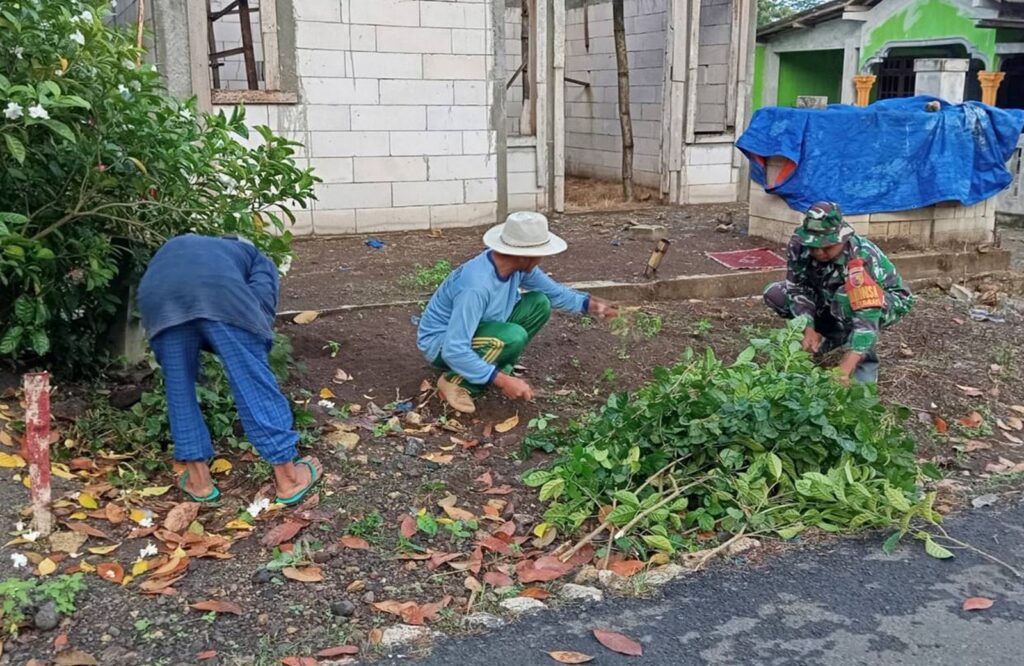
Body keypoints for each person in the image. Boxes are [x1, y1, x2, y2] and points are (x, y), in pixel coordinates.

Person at [137, 234, 321, 505]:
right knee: (253, 382)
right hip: (217, 293)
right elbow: (260, 309)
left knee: (179, 389)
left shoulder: (196, 247)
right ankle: (289, 479)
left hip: (157, 298)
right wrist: (251, 350)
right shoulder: (257, 257)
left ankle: (199, 482)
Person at [417, 212, 618, 413]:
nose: (541, 259)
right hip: (441, 344)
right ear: (524, 256)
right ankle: (456, 382)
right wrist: (503, 381)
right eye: (540, 253)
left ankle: (495, 365)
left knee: (539, 303)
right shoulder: (476, 287)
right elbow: (454, 348)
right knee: (513, 336)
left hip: (478, 329)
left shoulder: (516, 267)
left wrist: (597, 307)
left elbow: (554, 293)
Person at [763, 202, 914, 384]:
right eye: (813, 246)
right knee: (776, 294)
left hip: (886, 302)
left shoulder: (860, 258)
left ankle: (864, 365)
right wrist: (807, 327)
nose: (818, 252)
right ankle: (834, 336)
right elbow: (797, 287)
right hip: (830, 295)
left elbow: (868, 317)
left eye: (827, 246)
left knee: (847, 298)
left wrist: (844, 369)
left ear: (841, 239)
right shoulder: (799, 245)